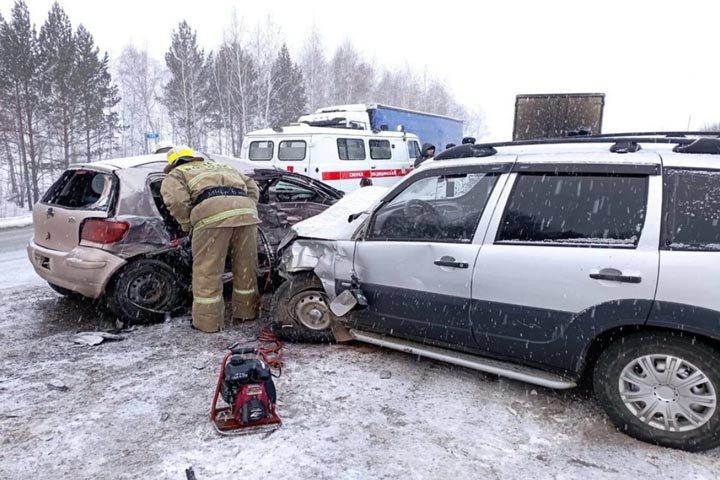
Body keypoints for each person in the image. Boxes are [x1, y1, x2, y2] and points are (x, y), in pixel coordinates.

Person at [160, 146, 261, 333]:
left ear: (173, 162)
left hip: (211, 216)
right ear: (194, 158)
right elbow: (253, 187)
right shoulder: (223, 166)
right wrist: (246, 207)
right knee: (246, 266)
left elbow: (176, 201)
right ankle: (246, 312)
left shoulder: (176, 174)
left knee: (208, 270)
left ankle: (209, 323)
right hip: (246, 214)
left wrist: (186, 223)